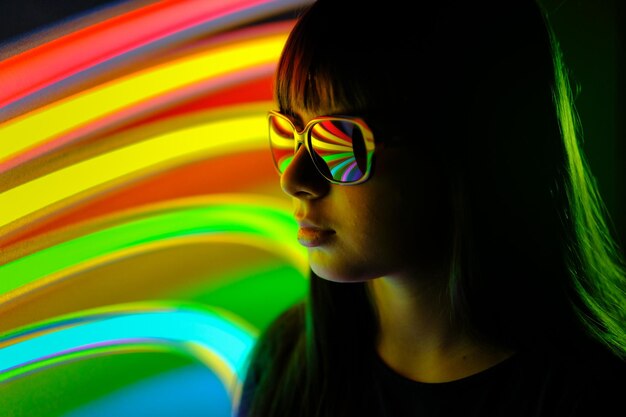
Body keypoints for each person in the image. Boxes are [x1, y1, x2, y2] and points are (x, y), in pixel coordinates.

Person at [234, 0, 626, 416]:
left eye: (339, 141)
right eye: (291, 133)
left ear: (467, 149)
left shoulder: (593, 393)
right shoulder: (284, 364)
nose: (293, 179)